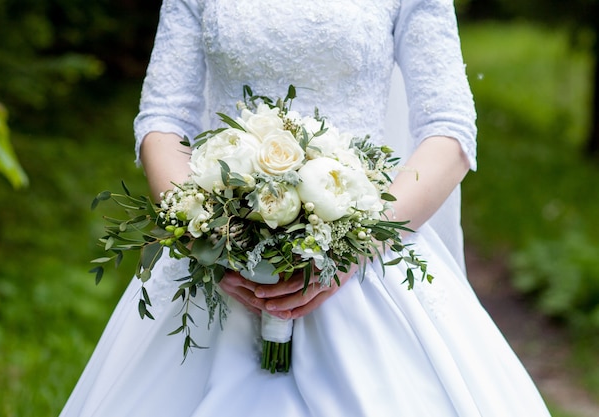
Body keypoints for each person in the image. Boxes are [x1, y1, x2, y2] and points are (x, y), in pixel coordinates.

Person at [61, 1, 552, 416]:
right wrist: (208, 234)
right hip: (219, 260)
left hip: (366, 253)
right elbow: (163, 118)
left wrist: (357, 245)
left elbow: (449, 127)